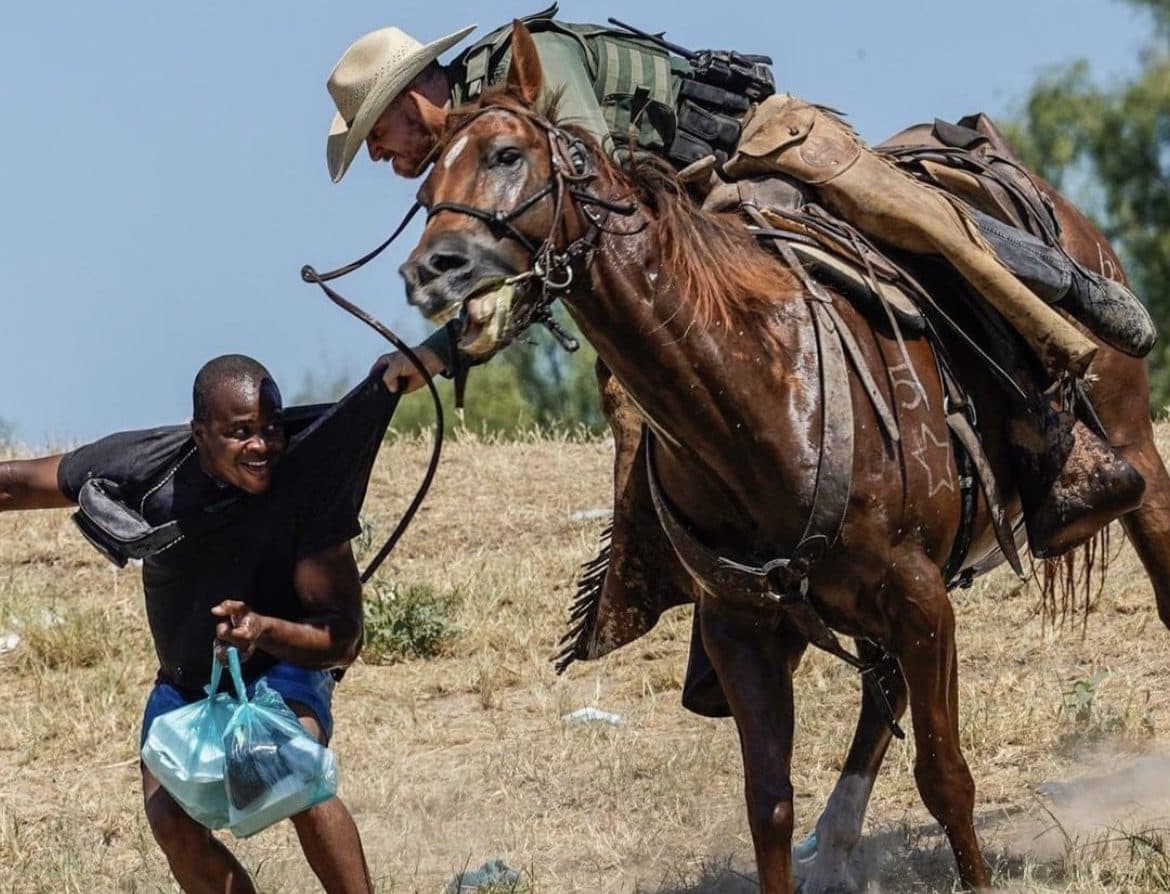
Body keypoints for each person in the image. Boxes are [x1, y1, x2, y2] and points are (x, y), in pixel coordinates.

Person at [0, 353, 416, 894]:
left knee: (286, 765)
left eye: (269, 429)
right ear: (201, 434)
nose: (261, 446)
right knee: (170, 821)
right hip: (184, 682)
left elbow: (344, 640)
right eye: (240, 433)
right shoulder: (145, 466)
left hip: (282, 667)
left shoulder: (308, 483)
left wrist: (264, 629)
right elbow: (18, 485)